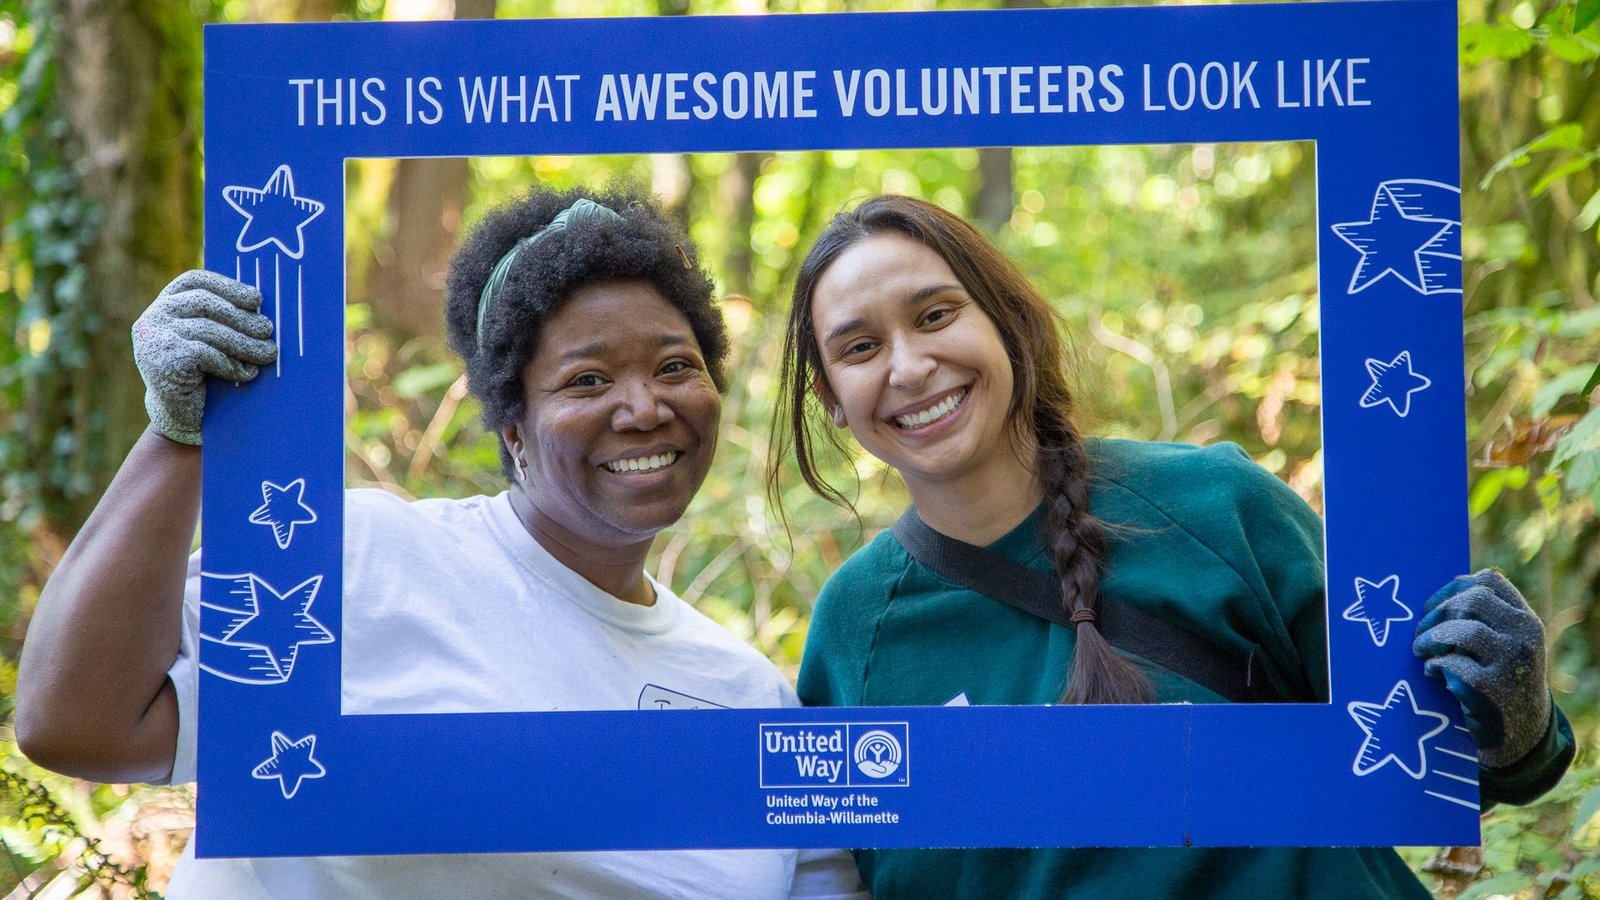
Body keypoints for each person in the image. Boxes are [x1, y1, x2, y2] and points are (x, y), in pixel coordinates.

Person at [17, 186, 867, 899]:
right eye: (588, 380)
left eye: (676, 366)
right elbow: (77, 724)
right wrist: (179, 431)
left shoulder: (748, 694)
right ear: (511, 426)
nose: (644, 407)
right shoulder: (365, 560)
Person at [773, 194, 1574, 898]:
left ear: (1006, 321)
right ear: (832, 402)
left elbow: (1436, 767)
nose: (910, 366)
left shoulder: (1212, 504)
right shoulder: (855, 630)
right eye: (859, 348)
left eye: (936, 315)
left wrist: (1517, 715)